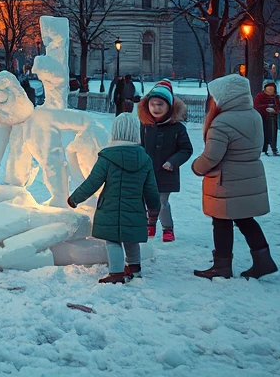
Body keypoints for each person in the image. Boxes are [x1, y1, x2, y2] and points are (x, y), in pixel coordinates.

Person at [191, 74, 277, 280]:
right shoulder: (254, 115)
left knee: (221, 222)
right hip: (249, 175)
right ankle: (263, 260)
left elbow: (212, 156)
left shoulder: (222, 122)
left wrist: (196, 167)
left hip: (226, 180)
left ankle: (222, 266)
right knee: (246, 220)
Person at [68, 114, 161, 284]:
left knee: (113, 240)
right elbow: (151, 188)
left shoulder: (107, 157)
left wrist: (75, 198)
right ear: (136, 132)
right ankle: (135, 269)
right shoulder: (144, 159)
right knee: (131, 238)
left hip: (110, 208)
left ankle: (116, 273)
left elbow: (92, 182)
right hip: (135, 208)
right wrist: (154, 207)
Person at [137, 81, 192, 243]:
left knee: (161, 201)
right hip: (146, 171)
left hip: (166, 172)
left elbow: (186, 149)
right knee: (147, 200)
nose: (156, 108)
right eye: (152, 104)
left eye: (160, 104)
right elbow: (137, 145)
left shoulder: (177, 128)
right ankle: (150, 224)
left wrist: (172, 161)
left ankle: (167, 228)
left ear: (169, 106)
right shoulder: (144, 126)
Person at [254, 82, 280, 156]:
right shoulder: (260, 96)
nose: (270, 92)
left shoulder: (275, 97)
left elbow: (279, 107)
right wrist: (267, 107)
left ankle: (273, 148)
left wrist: (275, 111)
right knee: (264, 133)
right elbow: (257, 106)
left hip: (272, 118)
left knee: (273, 133)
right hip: (262, 118)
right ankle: (264, 149)